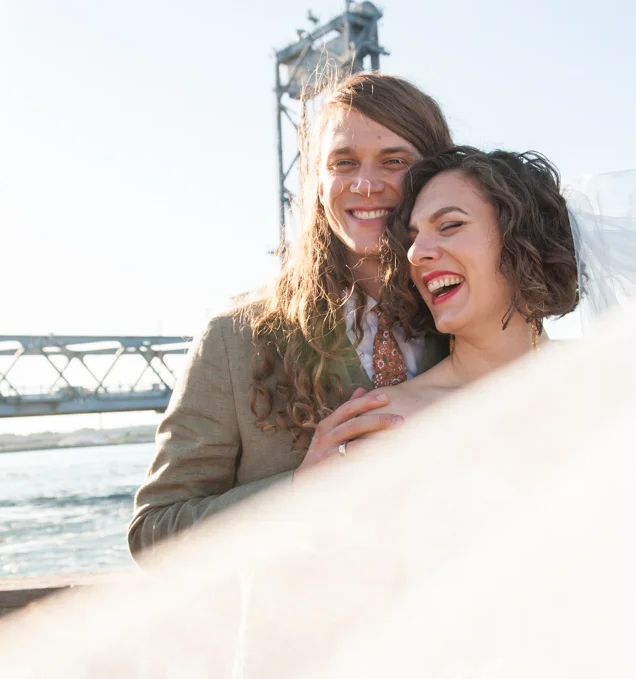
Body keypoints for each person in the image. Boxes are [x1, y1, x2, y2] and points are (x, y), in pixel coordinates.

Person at [127, 73, 453, 559]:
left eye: (395, 161)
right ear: (319, 184)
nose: (365, 183)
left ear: (437, 176)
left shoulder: (479, 326)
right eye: (343, 162)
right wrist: (298, 491)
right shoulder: (233, 339)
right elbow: (153, 537)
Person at [335, 147, 580, 436]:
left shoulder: (613, 376)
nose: (415, 253)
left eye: (450, 225)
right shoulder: (388, 419)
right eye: (412, 239)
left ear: (522, 238)